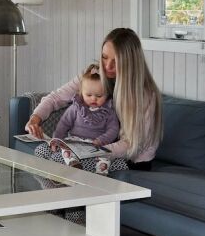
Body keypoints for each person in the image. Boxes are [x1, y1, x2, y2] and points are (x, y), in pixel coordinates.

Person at [26, 28, 162, 172]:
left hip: (129, 160)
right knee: (41, 152)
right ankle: (57, 187)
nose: (107, 66)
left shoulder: (145, 95)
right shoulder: (93, 75)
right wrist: (35, 119)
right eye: (104, 57)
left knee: (58, 160)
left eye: (116, 61)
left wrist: (92, 150)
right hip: (93, 148)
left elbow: (132, 145)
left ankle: (62, 186)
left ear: (130, 62)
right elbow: (56, 97)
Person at [41, 63, 120, 175]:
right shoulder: (76, 108)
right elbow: (63, 124)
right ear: (81, 93)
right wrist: (57, 139)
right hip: (75, 141)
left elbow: (113, 130)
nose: (93, 99)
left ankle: (100, 173)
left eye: (99, 96)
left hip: (96, 144)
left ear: (107, 95)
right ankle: (73, 163)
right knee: (66, 149)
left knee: (105, 157)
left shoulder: (109, 111)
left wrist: (101, 140)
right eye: (89, 95)